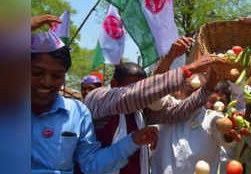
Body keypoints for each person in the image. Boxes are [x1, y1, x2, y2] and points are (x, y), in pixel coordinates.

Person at [30, 20, 158, 174]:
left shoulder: (77, 113)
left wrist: (133, 141)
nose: (46, 82)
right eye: (37, 73)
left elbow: (90, 165)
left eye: (56, 75)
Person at [84, 37, 225, 174]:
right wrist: (188, 69)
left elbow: (178, 111)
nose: (146, 94)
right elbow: (136, 95)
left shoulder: (140, 112)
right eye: (132, 86)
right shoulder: (98, 98)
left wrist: (209, 85)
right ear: (114, 85)